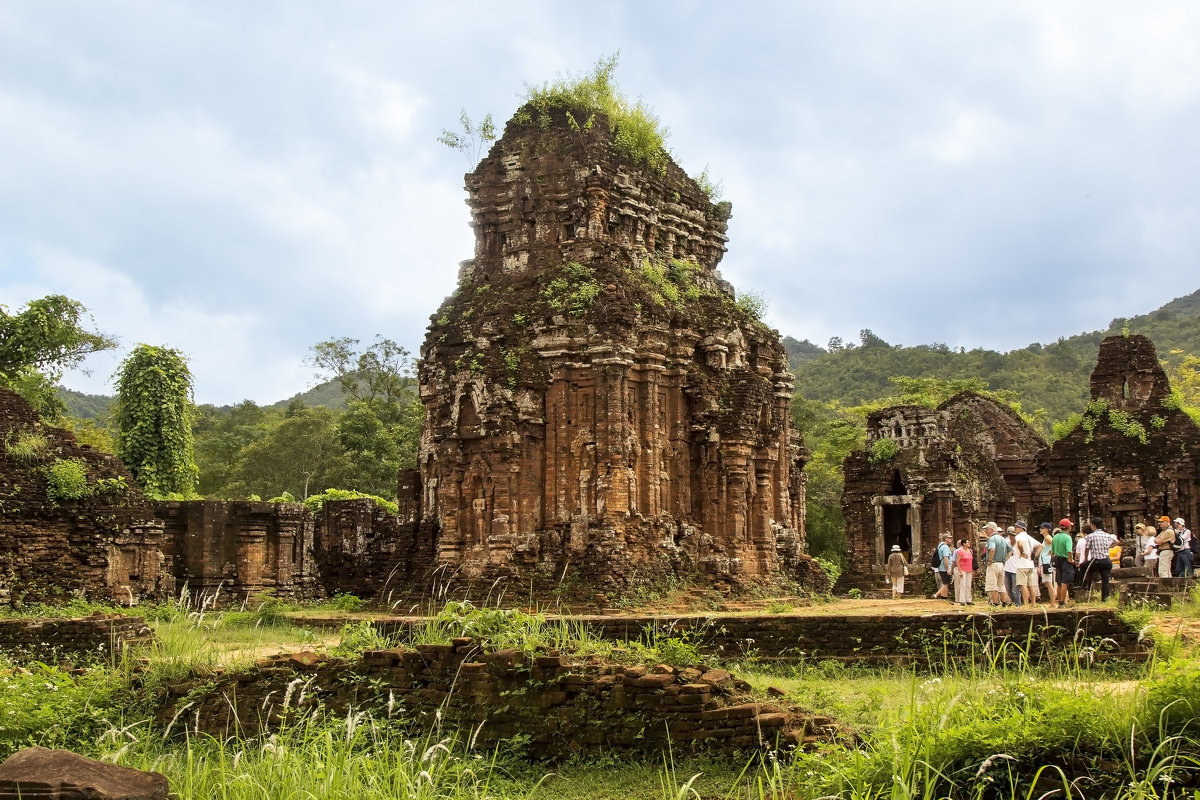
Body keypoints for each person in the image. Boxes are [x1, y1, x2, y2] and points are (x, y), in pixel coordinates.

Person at [1083, 516, 1118, 601]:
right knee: (1105, 581)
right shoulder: (1107, 535)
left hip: (1096, 561)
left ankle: (1085, 588)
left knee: (1083, 568)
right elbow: (1117, 542)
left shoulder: (1090, 536)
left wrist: (1085, 559)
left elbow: (1086, 549)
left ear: (1093, 525)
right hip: (1106, 561)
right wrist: (1108, 547)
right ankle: (1105, 599)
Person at [982, 522, 1011, 606]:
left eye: (987, 529)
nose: (986, 531)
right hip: (1001, 564)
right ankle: (1004, 602)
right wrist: (1005, 560)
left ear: (991, 529)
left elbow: (992, 549)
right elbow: (1010, 550)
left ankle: (995, 603)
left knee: (993, 585)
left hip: (993, 563)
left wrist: (990, 560)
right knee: (1001, 585)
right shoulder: (1002, 539)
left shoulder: (992, 539)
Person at [1012, 521, 1039, 606]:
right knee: (1030, 585)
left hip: (1022, 565)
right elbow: (1040, 546)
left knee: (1022, 585)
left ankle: (1026, 603)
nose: (1015, 529)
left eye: (1016, 527)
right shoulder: (1029, 537)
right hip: (1030, 564)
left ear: (1020, 528)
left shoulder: (1019, 536)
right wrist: (1034, 556)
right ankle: (1033, 603)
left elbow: (1019, 544)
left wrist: (1022, 552)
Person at [1050, 519, 1075, 608]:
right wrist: (1070, 560)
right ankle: (1062, 602)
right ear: (1068, 527)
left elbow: (1052, 552)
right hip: (1065, 560)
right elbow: (1069, 551)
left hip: (1057, 560)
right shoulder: (1067, 537)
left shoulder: (1055, 537)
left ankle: (1060, 602)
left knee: (1059, 582)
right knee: (1065, 582)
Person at [931, 532, 954, 599]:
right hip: (944, 568)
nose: (951, 540)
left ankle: (943, 597)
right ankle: (942, 596)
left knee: (945, 583)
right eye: (949, 538)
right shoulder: (945, 547)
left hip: (941, 567)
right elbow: (945, 558)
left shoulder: (940, 546)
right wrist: (947, 569)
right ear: (945, 539)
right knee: (945, 584)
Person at [1003, 527, 1022, 607]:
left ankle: (1018, 603)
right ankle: (1013, 602)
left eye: (1013, 535)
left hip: (1016, 568)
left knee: (1015, 589)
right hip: (1007, 568)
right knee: (1008, 588)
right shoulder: (1006, 542)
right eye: (1010, 535)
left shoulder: (1019, 543)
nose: (1011, 537)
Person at [954, 538, 975, 605]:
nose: (969, 543)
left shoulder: (969, 551)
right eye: (968, 542)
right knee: (963, 584)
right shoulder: (960, 551)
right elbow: (957, 561)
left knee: (968, 585)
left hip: (969, 569)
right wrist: (960, 571)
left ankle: (968, 599)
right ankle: (962, 600)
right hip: (963, 569)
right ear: (964, 544)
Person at [1039, 523, 1056, 603]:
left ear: (1046, 529)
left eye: (1042, 528)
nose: (1040, 529)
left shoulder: (1048, 537)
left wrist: (1052, 552)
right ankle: (1052, 601)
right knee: (1047, 583)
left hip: (1047, 562)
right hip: (1045, 562)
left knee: (1049, 583)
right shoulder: (1045, 538)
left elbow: (1054, 544)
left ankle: (1053, 602)